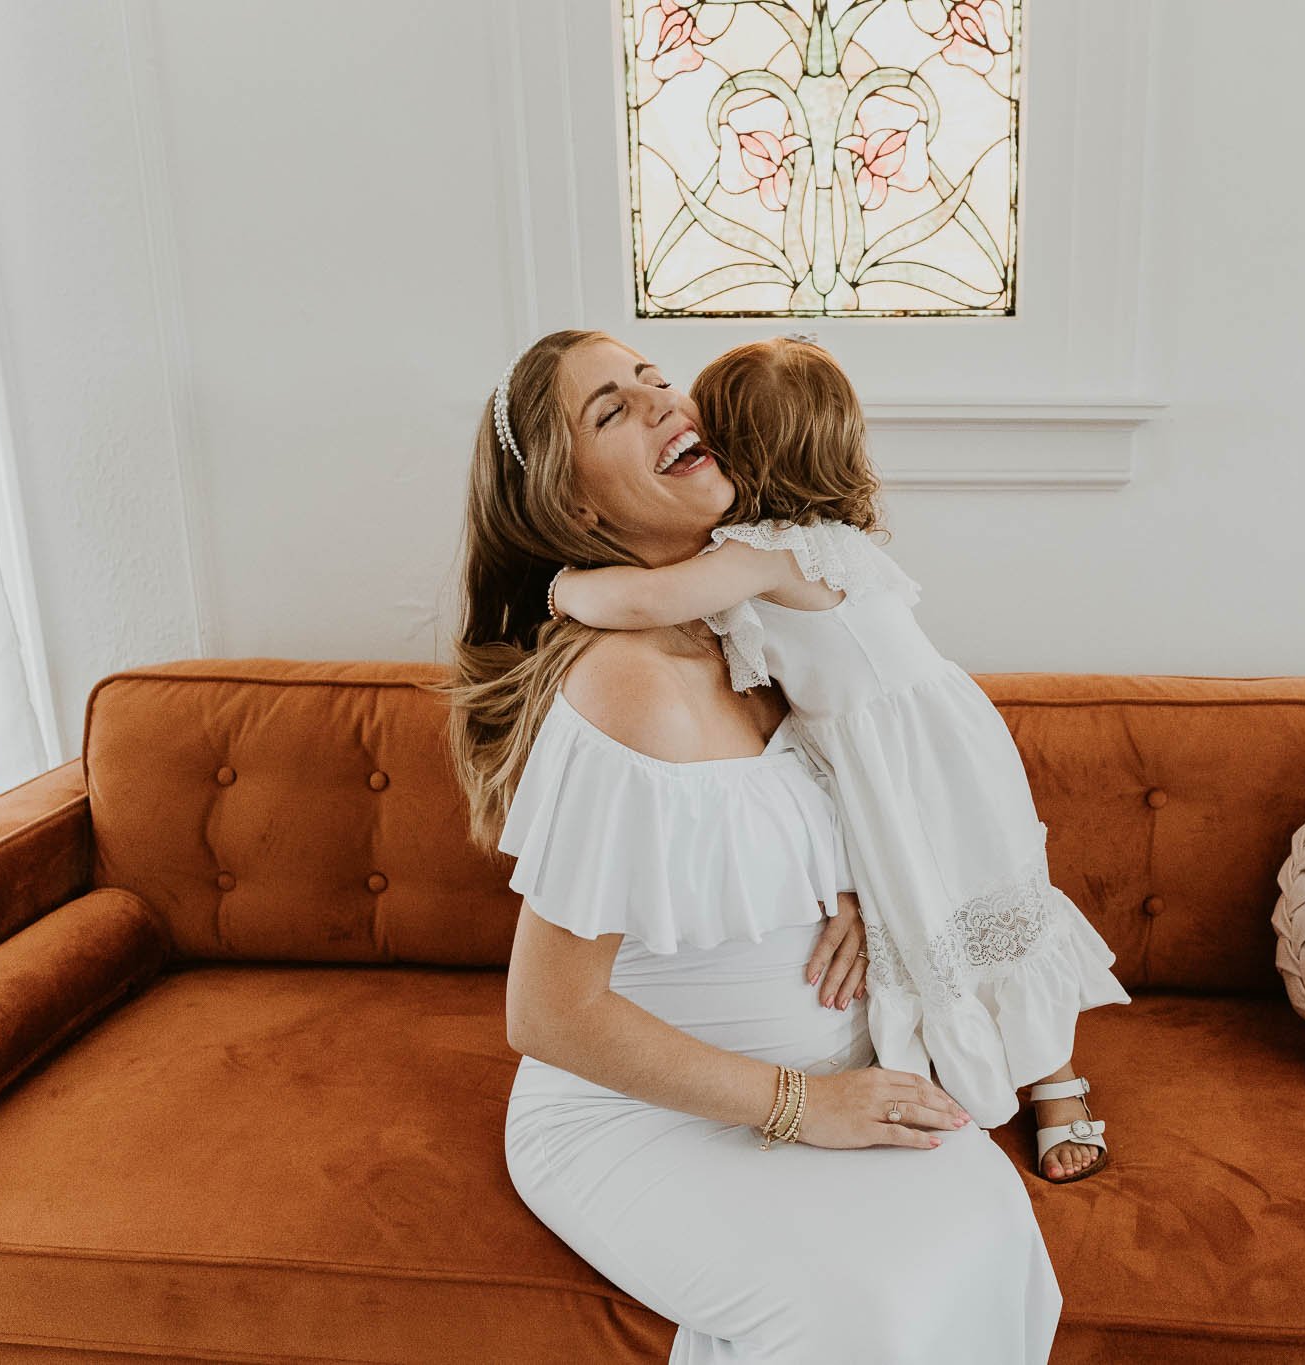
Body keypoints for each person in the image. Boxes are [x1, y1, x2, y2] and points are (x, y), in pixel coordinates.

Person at [440, 329, 1062, 1362]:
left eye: (653, 377)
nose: (660, 400)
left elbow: (845, 798)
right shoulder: (625, 684)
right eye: (610, 409)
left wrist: (856, 891)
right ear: (574, 505)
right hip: (651, 1122)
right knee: (866, 1318)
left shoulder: (754, 630)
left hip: (841, 1089)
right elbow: (548, 1014)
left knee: (993, 1242)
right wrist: (804, 1105)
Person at [548, 336, 1131, 1183]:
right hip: (928, 752)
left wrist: (559, 587)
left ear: (743, 457)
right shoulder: (810, 548)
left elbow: (645, 599)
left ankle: (1049, 1076)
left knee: (981, 906)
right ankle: (1022, 1071)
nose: (670, 411)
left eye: (674, 395)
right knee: (963, 906)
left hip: (912, 765)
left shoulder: (770, 551)